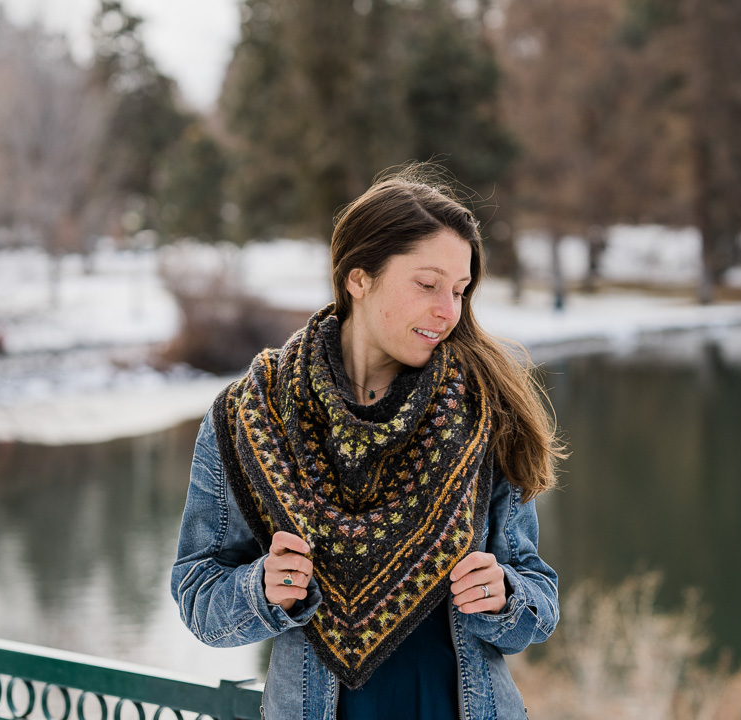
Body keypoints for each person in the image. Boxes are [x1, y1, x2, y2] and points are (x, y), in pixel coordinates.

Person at [171, 165, 564, 720]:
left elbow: (538, 597)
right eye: (427, 285)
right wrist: (263, 589)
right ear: (359, 277)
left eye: (459, 290)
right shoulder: (250, 418)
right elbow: (198, 595)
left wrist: (504, 596)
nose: (448, 312)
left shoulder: (485, 412)